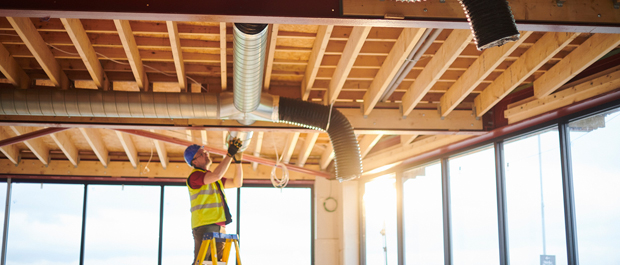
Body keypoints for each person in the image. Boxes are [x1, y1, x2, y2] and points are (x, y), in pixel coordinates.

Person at [184, 137, 244, 263]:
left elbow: (237, 183)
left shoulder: (213, 178)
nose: (206, 154)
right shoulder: (195, 177)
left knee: (215, 262)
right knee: (202, 262)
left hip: (219, 226)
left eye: (206, 152)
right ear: (194, 161)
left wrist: (237, 162)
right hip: (204, 225)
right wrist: (229, 155)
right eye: (202, 154)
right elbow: (216, 175)